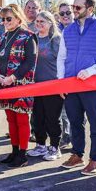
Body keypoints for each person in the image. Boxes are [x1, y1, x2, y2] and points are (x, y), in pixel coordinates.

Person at [58, 0, 96, 176]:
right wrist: (61, 82)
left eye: (78, 8)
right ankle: (77, 154)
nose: (73, 11)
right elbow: (62, 57)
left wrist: (91, 71)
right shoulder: (67, 31)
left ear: (90, 9)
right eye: (73, 7)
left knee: (95, 123)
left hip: (92, 85)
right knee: (75, 121)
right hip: (71, 84)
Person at [0, 4, 37, 169]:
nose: (5, 21)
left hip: (21, 85)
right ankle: (14, 150)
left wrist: (13, 77)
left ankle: (22, 154)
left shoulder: (28, 36)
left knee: (21, 119)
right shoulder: (3, 37)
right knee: (10, 118)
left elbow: (30, 61)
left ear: (18, 18)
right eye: (3, 19)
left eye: (9, 18)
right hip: (4, 84)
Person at [27, 11, 63, 162]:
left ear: (50, 22)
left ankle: (55, 147)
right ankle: (41, 145)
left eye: (43, 21)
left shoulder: (56, 40)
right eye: (37, 21)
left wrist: (62, 84)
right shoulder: (33, 38)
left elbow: (63, 61)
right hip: (36, 86)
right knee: (37, 117)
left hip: (52, 85)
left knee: (52, 118)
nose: (39, 24)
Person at [56, 2, 74, 148]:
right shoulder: (55, 31)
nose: (65, 16)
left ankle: (75, 138)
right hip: (60, 76)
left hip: (76, 75)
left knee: (76, 111)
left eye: (68, 12)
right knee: (63, 111)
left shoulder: (78, 29)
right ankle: (66, 136)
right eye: (62, 13)